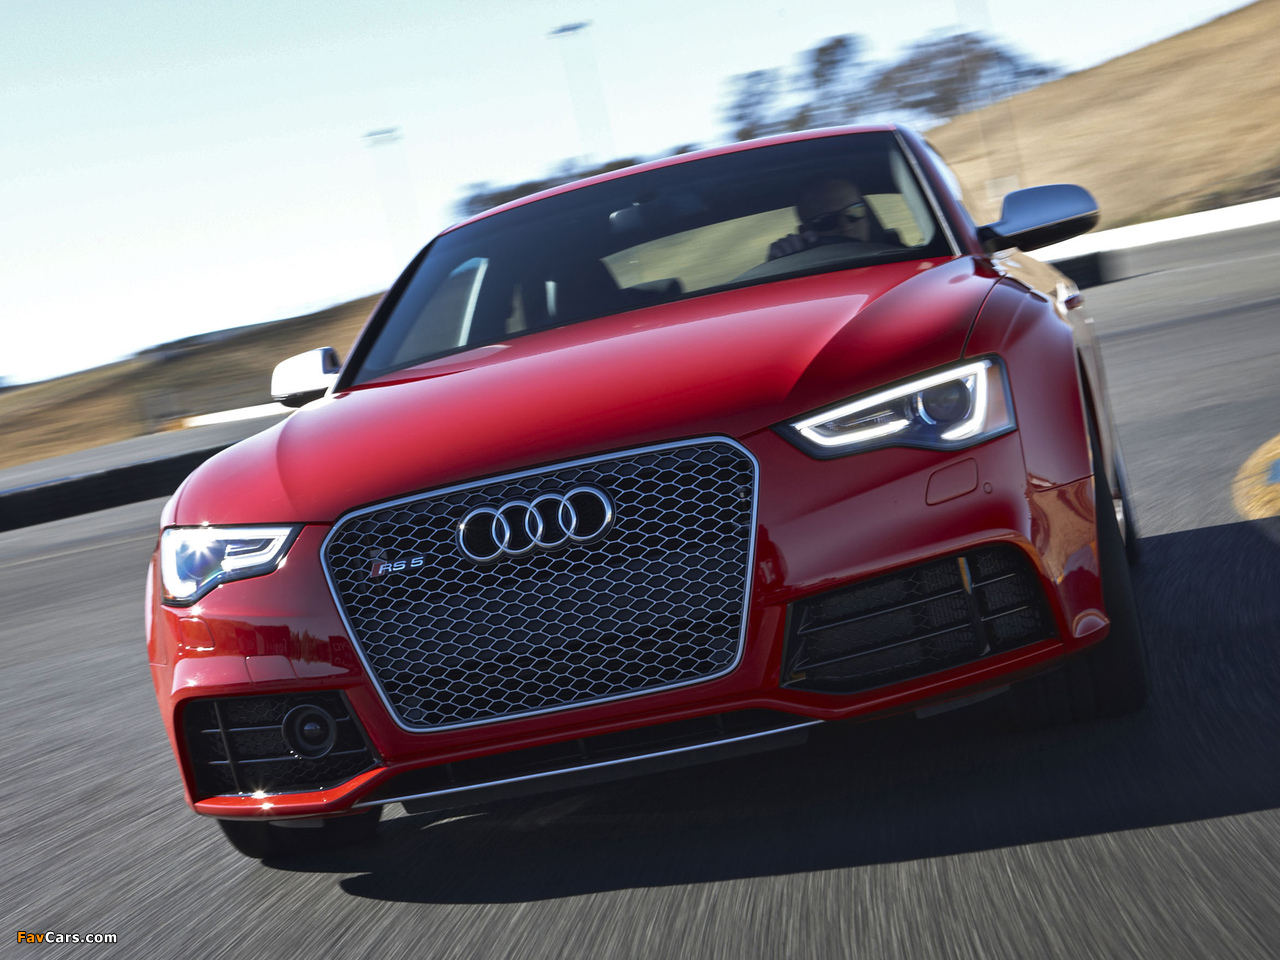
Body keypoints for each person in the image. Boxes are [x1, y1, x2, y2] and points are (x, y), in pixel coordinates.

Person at [768, 177, 872, 260]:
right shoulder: (803, 271)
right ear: (805, 232)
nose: (846, 227)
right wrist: (781, 264)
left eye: (855, 212)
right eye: (827, 221)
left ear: (867, 217)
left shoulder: (882, 256)